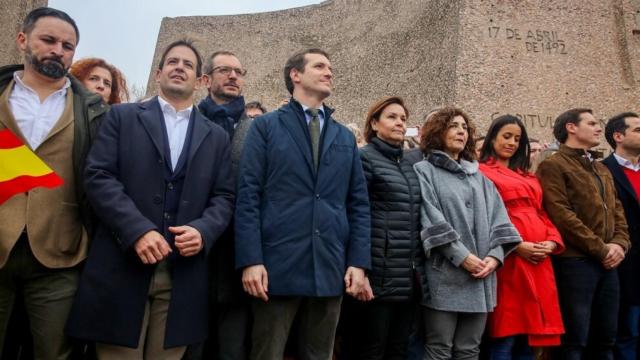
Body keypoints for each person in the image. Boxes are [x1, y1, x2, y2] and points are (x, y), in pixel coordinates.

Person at [66, 39, 235, 359]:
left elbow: (224, 196)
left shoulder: (217, 136)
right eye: (172, 62)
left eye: (187, 64)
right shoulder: (122, 117)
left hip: (182, 275)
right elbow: (99, 176)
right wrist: (136, 230)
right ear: (158, 73)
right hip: (122, 264)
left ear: (201, 81)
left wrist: (203, 230)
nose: (179, 67)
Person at [235, 48, 370, 360]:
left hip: (330, 267)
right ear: (295, 75)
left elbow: (358, 204)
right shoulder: (265, 127)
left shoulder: (343, 137)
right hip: (276, 267)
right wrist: (250, 260)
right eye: (320, 66)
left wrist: (359, 263)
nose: (328, 72)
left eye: (330, 68)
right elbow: (248, 196)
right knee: (267, 353)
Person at [0, 7, 108, 359]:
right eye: (49, 40)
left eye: (67, 45)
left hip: (59, 255)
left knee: (54, 352)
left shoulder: (92, 110)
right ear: (22, 40)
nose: (58, 50)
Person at [413, 107, 521, 360]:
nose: (461, 131)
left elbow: (500, 222)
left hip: (482, 273)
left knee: (470, 349)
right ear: (437, 131)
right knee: (439, 347)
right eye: (453, 126)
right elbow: (430, 217)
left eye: (464, 127)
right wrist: (462, 257)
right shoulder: (424, 170)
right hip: (445, 273)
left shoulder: (480, 177)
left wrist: (495, 258)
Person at [537, 108, 630, 360]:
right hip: (575, 263)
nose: (598, 127)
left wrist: (620, 244)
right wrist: (601, 249)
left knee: (606, 338)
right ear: (571, 127)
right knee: (574, 340)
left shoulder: (600, 168)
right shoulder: (552, 165)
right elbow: (561, 215)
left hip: (608, 263)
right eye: (591, 123)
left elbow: (617, 210)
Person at [341, 96, 425, 359]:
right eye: (392, 117)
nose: (399, 122)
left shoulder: (412, 164)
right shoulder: (364, 158)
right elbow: (355, 214)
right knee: (371, 349)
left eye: (403, 118)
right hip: (376, 275)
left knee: (398, 349)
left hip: (408, 277)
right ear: (374, 124)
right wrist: (361, 269)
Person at [478, 115, 565, 359]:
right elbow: (486, 217)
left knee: (530, 334)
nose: (512, 143)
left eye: (517, 139)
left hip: (538, 259)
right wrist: (515, 245)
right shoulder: (481, 172)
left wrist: (551, 240)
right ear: (492, 137)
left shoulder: (527, 175)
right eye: (506, 136)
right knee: (506, 330)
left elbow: (541, 212)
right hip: (509, 260)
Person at [602, 112, 640, 360]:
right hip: (625, 264)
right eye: (638, 129)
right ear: (618, 136)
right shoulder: (603, 171)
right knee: (627, 332)